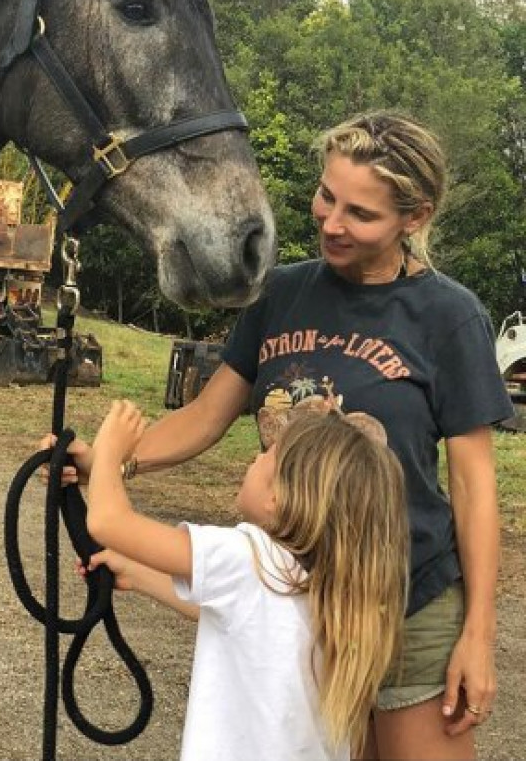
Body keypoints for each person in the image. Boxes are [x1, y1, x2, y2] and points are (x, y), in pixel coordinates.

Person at [61, 111, 514, 760]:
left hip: (408, 604)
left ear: (414, 218)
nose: (331, 222)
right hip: (302, 602)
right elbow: (207, 416)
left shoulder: (450, 316)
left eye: (361, 214)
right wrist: (112, 461)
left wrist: (477, 634)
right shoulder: (280, 293)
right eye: (328, 196)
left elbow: (474, 489)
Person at [80, 395, 409, 761]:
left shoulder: (248, 555)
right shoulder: (336, 592)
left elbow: (108, 521)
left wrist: (109, 451)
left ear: (278, 496)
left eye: (265, 456)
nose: (254, 459)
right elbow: (242, 619)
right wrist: (137, 574)